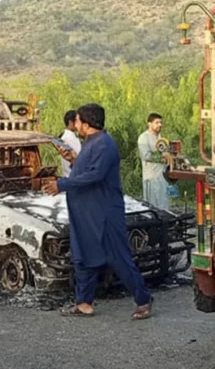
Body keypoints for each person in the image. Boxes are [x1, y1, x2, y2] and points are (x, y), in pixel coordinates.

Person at [43, 104, 153, 319]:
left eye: (77, 121)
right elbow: (86, 170)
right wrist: (73, 160)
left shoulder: (104, 144)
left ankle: (144, 299)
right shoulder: (91, 144)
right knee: (82, 256)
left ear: (86, 123)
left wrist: (62, 184)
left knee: (118, 257)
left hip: (103, 213)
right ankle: (84, 303)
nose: (75, 125)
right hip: (85, 213)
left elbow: (95, 175)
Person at [137, 112, 170, 210]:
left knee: (163, 203)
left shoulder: (161, 137)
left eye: (161, 122)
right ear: (149, 123)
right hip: (151, 177)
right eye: (157, 122)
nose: (160, 125)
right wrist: (162, 159)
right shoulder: (143, 138)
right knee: (152, 206)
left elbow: (165, 152)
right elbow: (146, 156)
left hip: (162, 176)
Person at [60, 110, 82, 177]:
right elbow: (80, 156)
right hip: (73, 175)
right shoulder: (70, 138)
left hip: (67, 174)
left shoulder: (65, 136)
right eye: (76, 121)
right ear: (70, 122)